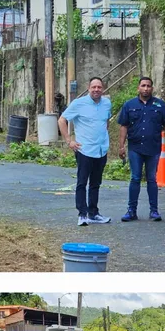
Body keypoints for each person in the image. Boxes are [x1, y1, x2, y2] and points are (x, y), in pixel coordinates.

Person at [117, 76, 165, 222]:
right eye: (143, 85)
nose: (146, 88)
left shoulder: (160, 105)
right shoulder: (129, 105)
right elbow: (124, 126)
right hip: (135, 148)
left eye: (148, 86)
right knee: (135, 178)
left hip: (153, 148)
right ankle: (131, 211)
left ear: (152, 88)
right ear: (138, 88)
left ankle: (154, 211)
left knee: (152, 179)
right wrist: (121, 146)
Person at [58, 76, 113, 226]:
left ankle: (94, 213)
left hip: (101, 150)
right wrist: (69, 141)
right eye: (93, 87)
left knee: (96, 183)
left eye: (99, 87)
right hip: (84, 150)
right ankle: (82, 214)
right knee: (82, 182)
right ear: (88, 88)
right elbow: (62, 120)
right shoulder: (78, 104)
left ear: (103, 89)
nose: (96, 90)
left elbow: (106, 121)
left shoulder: (107, 103)